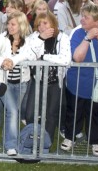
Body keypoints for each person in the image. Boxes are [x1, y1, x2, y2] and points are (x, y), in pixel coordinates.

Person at [61, 4, 98, 156]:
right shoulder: (77, 33)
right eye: (82, 16)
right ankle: (70, 136)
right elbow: (77, 57)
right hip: (77, 82)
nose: (82, 19)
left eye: (86, 17)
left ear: (97, 21)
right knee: (74, 111)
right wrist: (87, 38)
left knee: (96, 113)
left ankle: (95, 141)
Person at [0, 11, 31, 156]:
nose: (9, 27)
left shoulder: (28, 39)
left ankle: (9, 141)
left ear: (21, 25)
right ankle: (10, 143)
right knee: (4, 109)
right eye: (9, 24)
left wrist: (13, 60)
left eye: (13, 24)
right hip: (2, 82)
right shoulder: (3, 37)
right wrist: (2, 61)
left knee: (12, 112)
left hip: (21, 83)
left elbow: (29, 54)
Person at [25, 12, 71, 144]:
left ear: (53, 23)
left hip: (55, 82)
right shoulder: (34, 37)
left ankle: (46, 142)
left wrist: (44, 57)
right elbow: (29, 55)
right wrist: (40, 39)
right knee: (30, 114)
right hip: (37, 81)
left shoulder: (63, 38)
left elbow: (65, 59)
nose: (41, 27)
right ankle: (32, 139)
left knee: (51, 114)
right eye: (39, 24)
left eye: (45, 23)